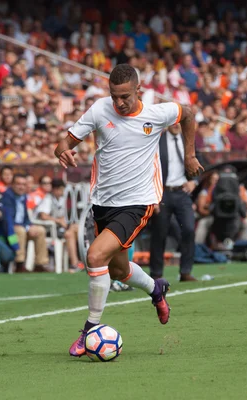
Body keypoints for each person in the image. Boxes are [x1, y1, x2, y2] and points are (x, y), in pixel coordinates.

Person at [54, 63, 203, 358]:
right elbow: (65, 141)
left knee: (95, 256)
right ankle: (156, 289)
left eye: (125, 96)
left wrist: (190, 155)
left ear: (139, 90)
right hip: (103, 202)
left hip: (138, 203)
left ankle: (88, 331)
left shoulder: (156, 114)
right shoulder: (99, 109)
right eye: (114, 96)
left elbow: (189, 113)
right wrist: (63, 151)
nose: (119, 103)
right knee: (118, 270)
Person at [149, 123, 198, 282]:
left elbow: (200, 162)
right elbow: (149, 167)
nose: (176, 125)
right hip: (162, 192)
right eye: (173, 121)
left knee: (189, 229)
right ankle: (156, 273)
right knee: (159, 233)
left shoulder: (188, 141)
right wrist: (153, 196)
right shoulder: (157, 140)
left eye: (179, 121)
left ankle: (185, 271)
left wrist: (194, 181)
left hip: (182, 192)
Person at [1, 174, 49, 273]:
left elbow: (25, 218)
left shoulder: (23, 197)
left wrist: (30, 226)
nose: (21, 187)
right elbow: (9, 220)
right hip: (9, 231)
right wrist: (26, 227)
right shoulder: (7, 196)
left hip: (22, 227)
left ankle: (40, 264)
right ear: (12, 185)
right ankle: (19, 264)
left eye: (23, 184)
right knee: (20, 230)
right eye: (18, 184)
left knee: (40, 230)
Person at [36, 179, 84, 271]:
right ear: (55, 189)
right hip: (50, 230)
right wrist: (58, 220)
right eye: (61, 189)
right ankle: (74, 264)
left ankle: (85, 262)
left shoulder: (62, 199)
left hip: (62, 228)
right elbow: (43, 215)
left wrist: (63, 219)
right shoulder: (48, 199)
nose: (63, 192)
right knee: (70, 234)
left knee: (79, 229)